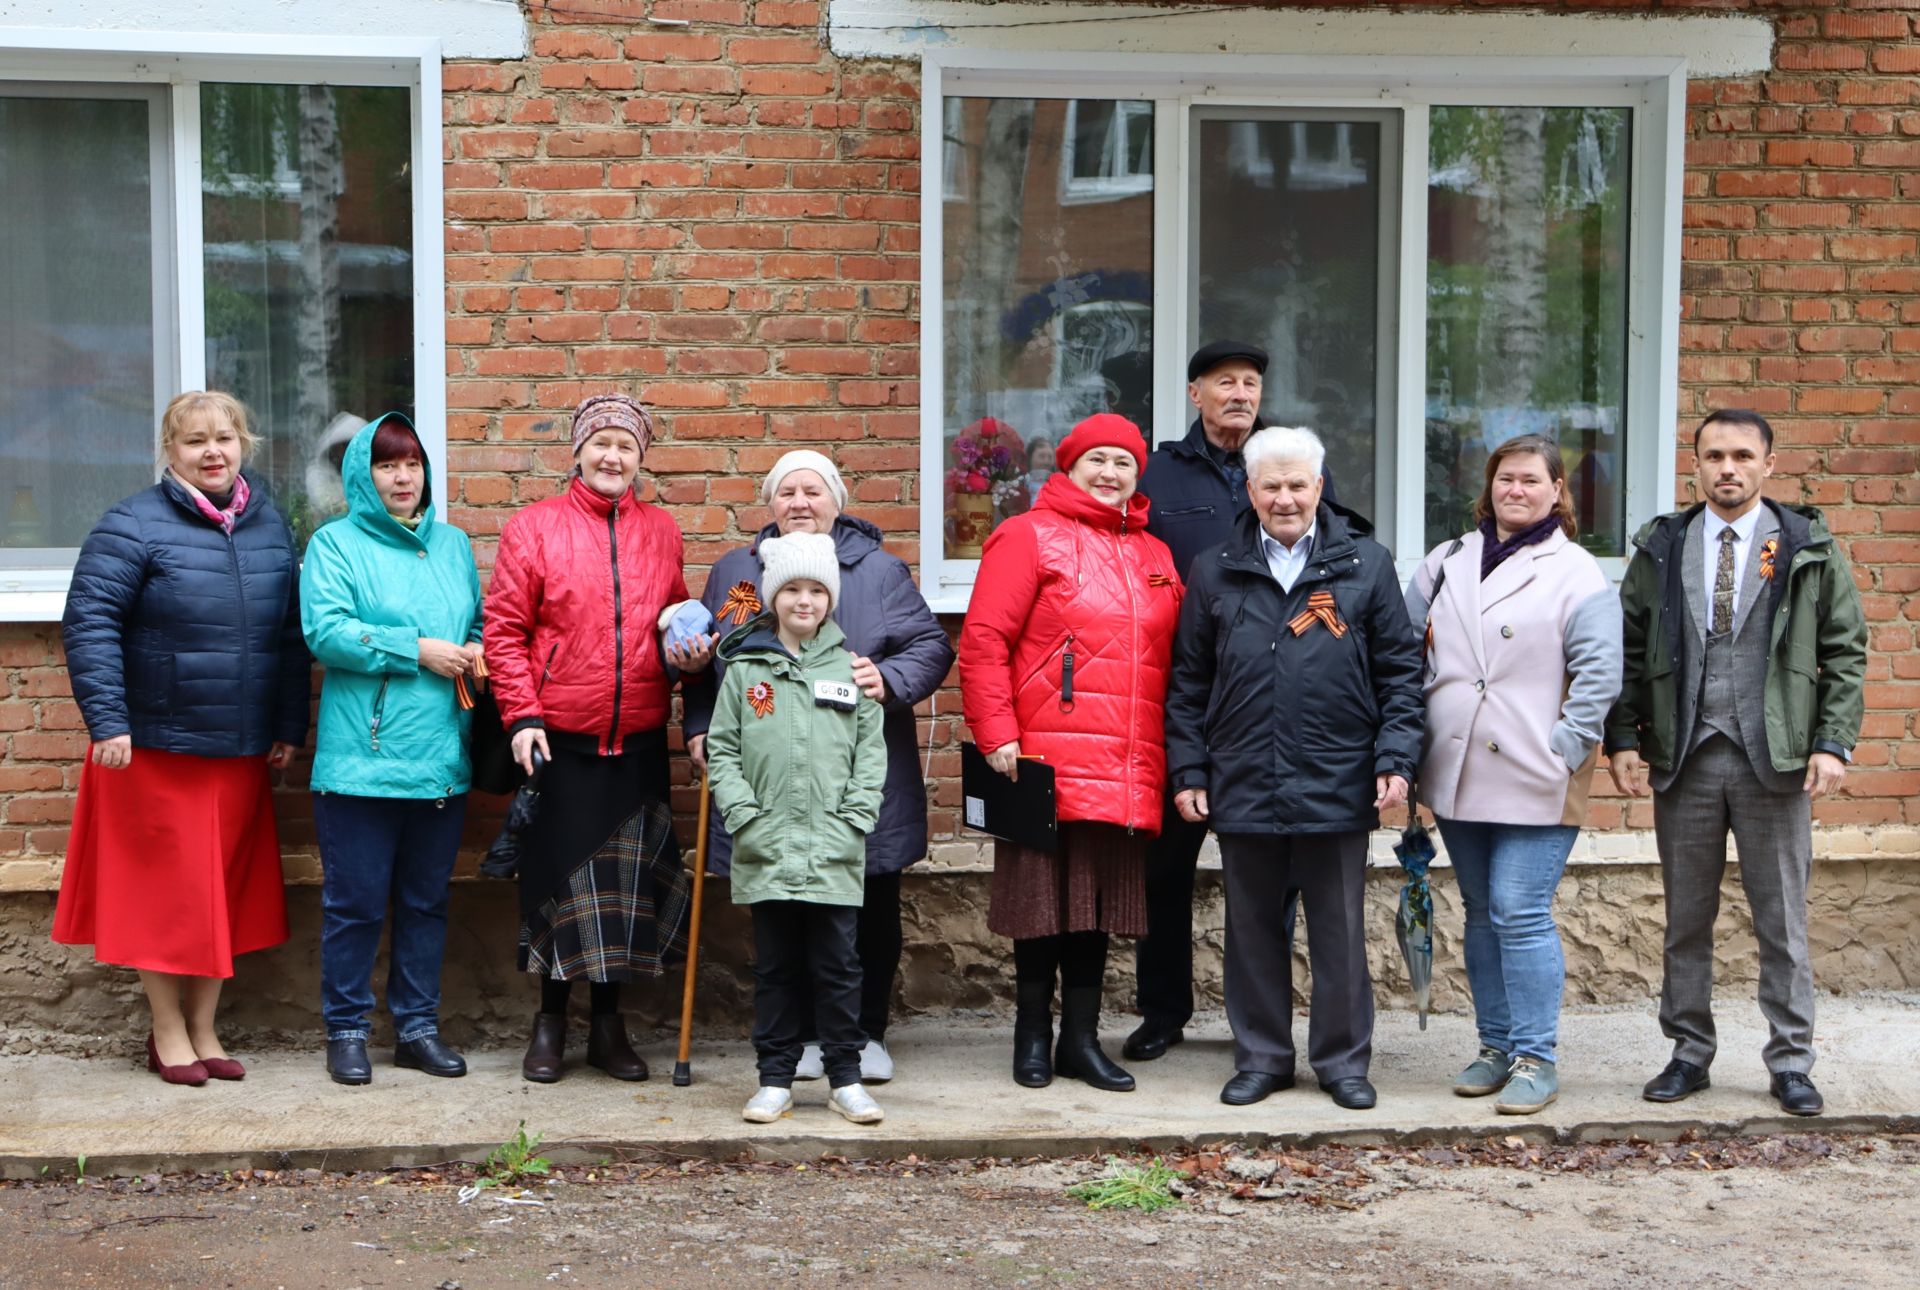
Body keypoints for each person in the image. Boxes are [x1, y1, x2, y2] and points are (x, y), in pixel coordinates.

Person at [1606, 409, 1866, 1117]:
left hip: (1775, 759)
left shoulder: (1807, 543)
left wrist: (1831, 742)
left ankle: (1791, 1061)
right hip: (1685, 755)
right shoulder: (1664, 543)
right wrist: (1623, 739)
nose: (1728, 467)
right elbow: (1626, 650)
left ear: (1768, 464)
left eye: (1742, 456)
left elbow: (1845, 651)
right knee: (1687, 918)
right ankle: (1689, 1052)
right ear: (1695, 463)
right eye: (1714, 455)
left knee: (1782, 919)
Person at [1164, 425, 1422, 1111]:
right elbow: (1188, 680)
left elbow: (1401, 673)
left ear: (1319, 486)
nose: (1284, 498)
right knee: (1251, 932)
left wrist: (1395, 756)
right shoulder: (1215, 567)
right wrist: (1189, 770)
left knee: (1337, 930)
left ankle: (1341, 1062)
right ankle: (1263, 1058)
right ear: (1249, 490)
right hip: (1242, 777)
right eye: (1270, 485)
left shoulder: (1365, 565)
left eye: (1297, 485)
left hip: (1339, 776)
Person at [55, 390, 309, 1086]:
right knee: (164, 898)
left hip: (238, 747)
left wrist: (288, 725)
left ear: (244, 445)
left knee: (219, 893)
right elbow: (90, 622)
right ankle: (167, 1030)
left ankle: (204, 1027)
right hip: (154, 748)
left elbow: (290, 635)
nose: (212, 452)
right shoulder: (131, 524)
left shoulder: (267, 525)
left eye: (224, 438)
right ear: (171, 452)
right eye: (195, 440)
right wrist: (107, 720)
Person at [683, 450, 953, 1084]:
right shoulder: (736, 574)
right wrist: (699, 724)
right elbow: (715, 663)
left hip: (856, 774)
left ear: (837, 501)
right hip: (772, 781)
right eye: (786, 493)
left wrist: (886, 677)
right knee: (781, 908)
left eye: (813, 491)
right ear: (770, 505)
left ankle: (866, 1033)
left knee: (869, 900)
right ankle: (800, 1038)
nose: (799, 503)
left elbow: (930, 646)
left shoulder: (880, 573)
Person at [483, 392, 715, 1085]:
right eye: (602, 443)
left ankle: (609, 1029)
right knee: (559, 889)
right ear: (578, 452)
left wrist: (688, 656)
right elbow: (504, 632)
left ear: (641, 459)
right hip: (560, 742)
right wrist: (523, 715)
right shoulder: (534, 529)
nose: (613, 456)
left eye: (627, 446)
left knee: (625, 895)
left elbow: (673, 619)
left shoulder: (662, 532)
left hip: (638, 740)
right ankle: (550, 1024)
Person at [1125, 340, 1338, 1063]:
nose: (1240, 394)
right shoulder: (1157, 473)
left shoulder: (1287, 464)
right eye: (1225, 383)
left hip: (1272, 700)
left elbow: (1328, 562)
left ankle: (1264, 1024)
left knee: (1270, 875)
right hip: (1182, 695)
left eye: (1251, 382)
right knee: (1166, 869)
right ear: (1196, 395)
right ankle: (1162, 1011)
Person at [958, 413, 1184, 1093]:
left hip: (1126, 758)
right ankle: (1031, 1035)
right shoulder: (1027, 536)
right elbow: (983, 642)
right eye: (1099, 460)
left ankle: (1079, 1042)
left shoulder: (1156, 555)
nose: (1111, 473)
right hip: (1044, 756)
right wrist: (997, 734)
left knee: (1097, 907)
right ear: (1069, 465)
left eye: (1125, 463)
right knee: (1041, 905)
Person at [1405, 434, 1622, 1115]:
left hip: (1537, 769)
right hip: (1459, 766)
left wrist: (1567, 747)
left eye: (1532, 480)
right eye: (1506, 480)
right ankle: (1494, 1047)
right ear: (1489, 487)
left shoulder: (1577, 572)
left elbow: (1599, 674)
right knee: (1480, 913)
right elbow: (1404, 653)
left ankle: (1537, 1057)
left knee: (1518, 910)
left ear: (1558, 491)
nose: (1517, 491)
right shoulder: (1444, 562)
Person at [300, 413, 485, 1086]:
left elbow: (476, 621)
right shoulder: (335, 546)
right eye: (386, 465)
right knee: (354, 905)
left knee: (426, 903)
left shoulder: (455, 544)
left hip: (439, 756)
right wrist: (414, 649)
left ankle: (417, 1028)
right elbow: (325, 631)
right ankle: (346, 1030)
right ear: (363, 476)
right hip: (360, 763)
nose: (402, 477)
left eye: (411, 464)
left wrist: (477, 651)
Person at [705, 532, 889, 1126]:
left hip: (834, 846)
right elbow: (724, 751)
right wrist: (743, 814)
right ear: (772, 597)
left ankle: (846, 1077)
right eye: (791, 590)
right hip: (766, 845)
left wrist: (857, 816)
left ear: (830, 599)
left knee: (839, 966)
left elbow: (870, 753)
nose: (803, 601)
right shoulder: (745, 671)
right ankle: (775, 1078)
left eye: (816, 590)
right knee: (777, 968)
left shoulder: (853, 671)